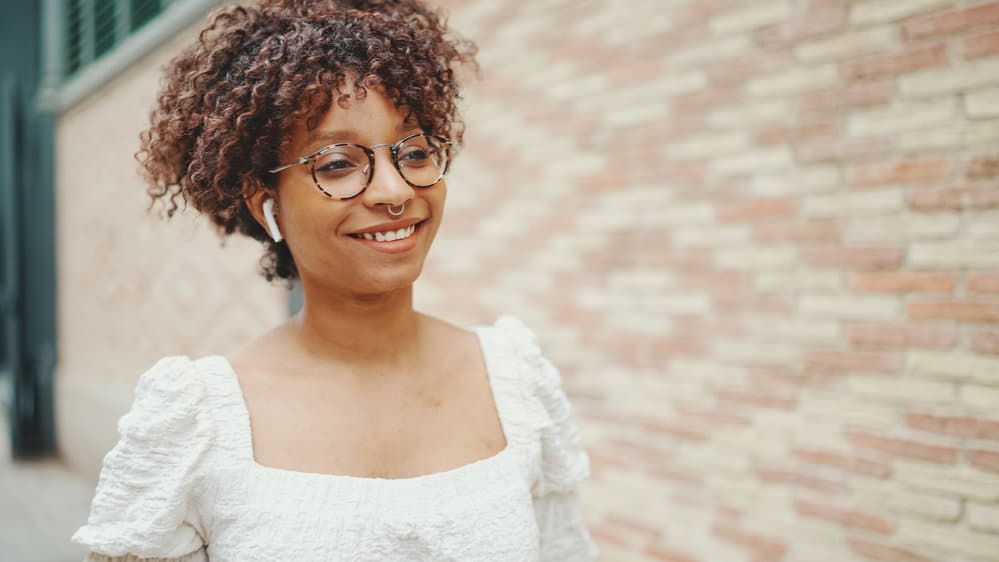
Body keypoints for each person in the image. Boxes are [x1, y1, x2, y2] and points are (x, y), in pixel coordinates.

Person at [71, 1, 598, 561]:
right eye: (338, 164)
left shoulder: (515, 382)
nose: (395, 191)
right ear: (265, 202)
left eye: (414, 151)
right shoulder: (200, 424)